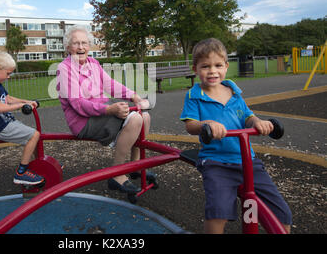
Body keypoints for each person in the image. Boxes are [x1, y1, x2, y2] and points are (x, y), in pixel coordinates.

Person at [180, 38, 292, 234]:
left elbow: (247, 116)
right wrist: (207, 124)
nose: (212, 71)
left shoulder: (234, 92)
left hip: (248, 161)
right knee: (218, 211)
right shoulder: (194, 95)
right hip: (216, 162)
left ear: (226, 66)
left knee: (281, 213)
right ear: (195, 69)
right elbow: (190, 125)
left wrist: (257, 122)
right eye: (205, 66)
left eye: (217, 65)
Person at [56, 25, 154, 194]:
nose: (80, 47)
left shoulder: (93, 63)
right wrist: (109, 110)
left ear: (90, 45)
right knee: (135, 119)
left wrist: (133, 96)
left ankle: (135, 166)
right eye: (76, 43)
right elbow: (77, 103)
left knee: (144, 117)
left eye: (84, 43)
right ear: (67, 47)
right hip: (83, 121)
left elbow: (110, 84)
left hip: (101, 113)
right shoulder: (64, 68)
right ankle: (117, 174)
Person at [0, 51, 44, 186]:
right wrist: (21, 105)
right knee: (34, 135)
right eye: (8, 73)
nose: (8, 77)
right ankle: (21, 173)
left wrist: (27, 101)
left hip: (6, 122)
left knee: (33, 137)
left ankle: (37, 165)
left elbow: (8, 99)